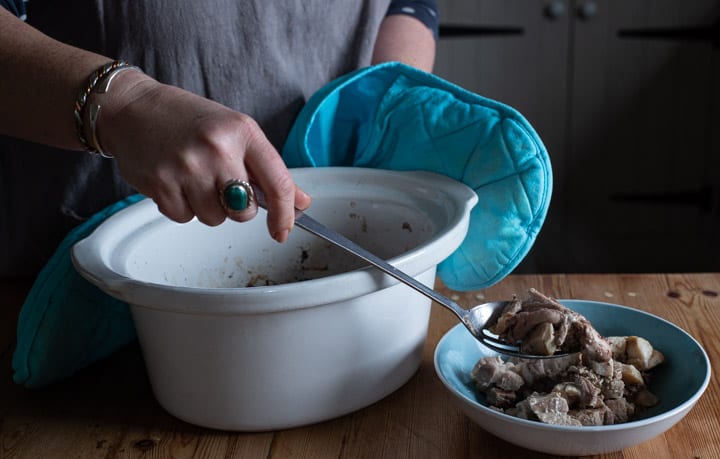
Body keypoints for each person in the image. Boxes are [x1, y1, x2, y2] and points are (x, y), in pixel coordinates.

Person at [0, 1, 438, 278]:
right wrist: (128, 105)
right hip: (63, 284)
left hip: (340, 265)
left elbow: (409, 4)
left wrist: (389, 101)